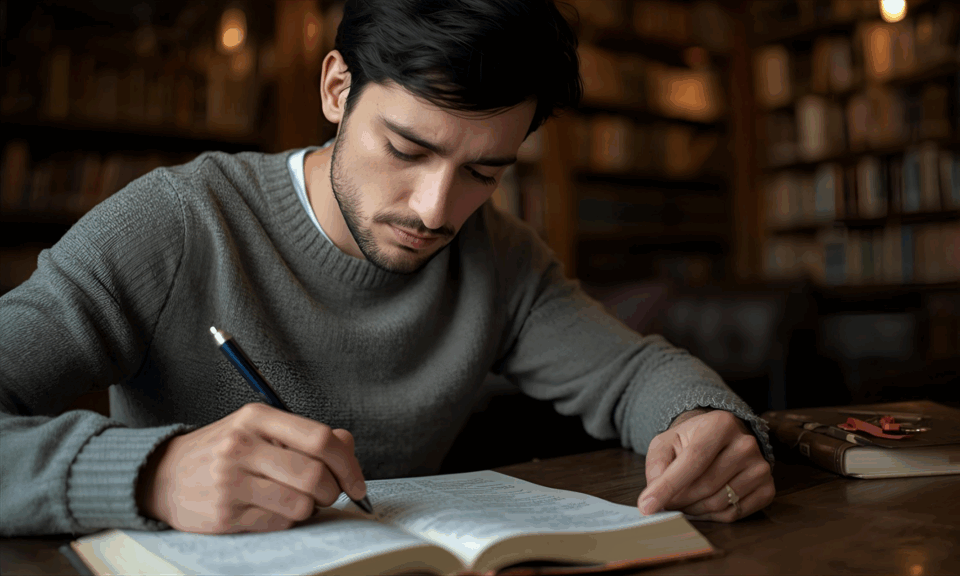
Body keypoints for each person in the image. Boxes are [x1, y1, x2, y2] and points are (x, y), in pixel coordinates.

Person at [0, 0, 774, 537]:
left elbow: (635, 374)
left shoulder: (497, 256)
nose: (436, 210)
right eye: (407, 149)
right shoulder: (175, 221)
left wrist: (705, 422)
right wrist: (152, 475)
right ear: (338, 89)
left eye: (485, 171)